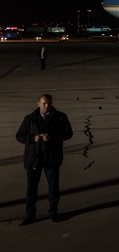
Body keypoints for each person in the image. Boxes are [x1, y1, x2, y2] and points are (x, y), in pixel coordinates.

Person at [16, 93, 74, 225]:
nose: (47, 106)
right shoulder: (29, 119)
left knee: (53, 187)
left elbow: (68, 133)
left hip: (51, 158)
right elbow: (19, 136)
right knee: (31, 188)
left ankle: (53, 213)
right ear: (38, 104)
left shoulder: (60, 117)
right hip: (34, 159)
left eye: (49, 103)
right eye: (44, 103)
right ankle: (30, 215)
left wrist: (52, 137)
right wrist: (33, 139)